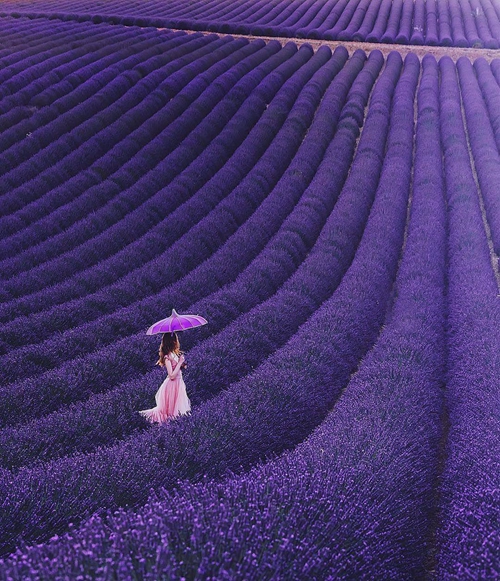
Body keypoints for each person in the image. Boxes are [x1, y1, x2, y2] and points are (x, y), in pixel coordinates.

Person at [139, 332, 191, 424]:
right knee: (169, 413)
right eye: (176, 339)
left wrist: (182, 364)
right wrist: (179, 363)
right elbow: (171, 375)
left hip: (178, 384)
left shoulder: (174, 354)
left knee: (176, 412)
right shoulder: (167, 357)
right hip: (172, 386)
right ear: (173, 341)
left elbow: (177, 370)